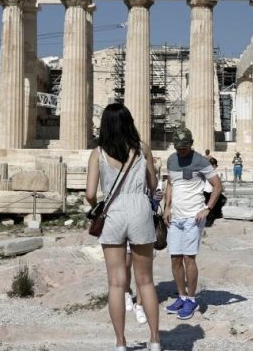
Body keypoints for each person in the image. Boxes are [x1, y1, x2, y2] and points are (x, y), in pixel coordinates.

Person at [85, 103, 161, 351]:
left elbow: (89, 194)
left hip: (114, 211)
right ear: (129, 122)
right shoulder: (142, 150)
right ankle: (154, 340)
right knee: (146, 281)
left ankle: (120, 343)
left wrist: (98, 204)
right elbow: (153, 184)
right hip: (139, 209)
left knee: (117, 283)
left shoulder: (98, 153)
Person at [163, 127, 223, 320]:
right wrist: (166, 207)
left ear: (191, 143)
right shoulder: (171, 160)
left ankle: (191, 298)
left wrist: (207, 208)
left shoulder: (200, 161)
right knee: (175, 258)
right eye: (178, 147)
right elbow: (171, 184)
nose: (181, 151)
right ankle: (181, 296)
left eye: (184, 147)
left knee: (189, 258)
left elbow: (217, 186)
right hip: (175, 217)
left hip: (193, 216)